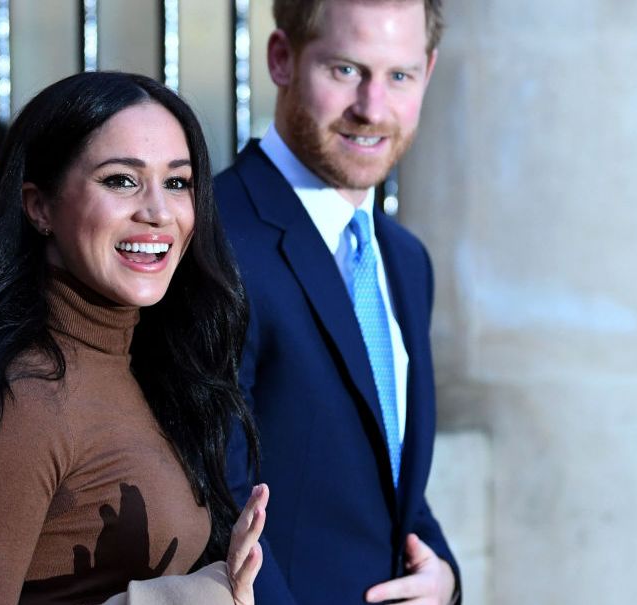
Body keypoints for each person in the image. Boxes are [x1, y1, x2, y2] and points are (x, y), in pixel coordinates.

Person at [0, 71, 269, 604]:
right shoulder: (16, 401)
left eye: (178, 182)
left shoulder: (144, 363)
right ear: (39, 206)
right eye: (121, 180)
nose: (158, 212)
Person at [215, 0, 460, 603]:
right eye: (345, 70)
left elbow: (383, 465)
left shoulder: (405, 260)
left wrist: (445, 577)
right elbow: (215, 494)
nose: (372, 108)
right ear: (281, 59)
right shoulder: (215, 237)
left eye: (398, 76)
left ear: (427, 73)